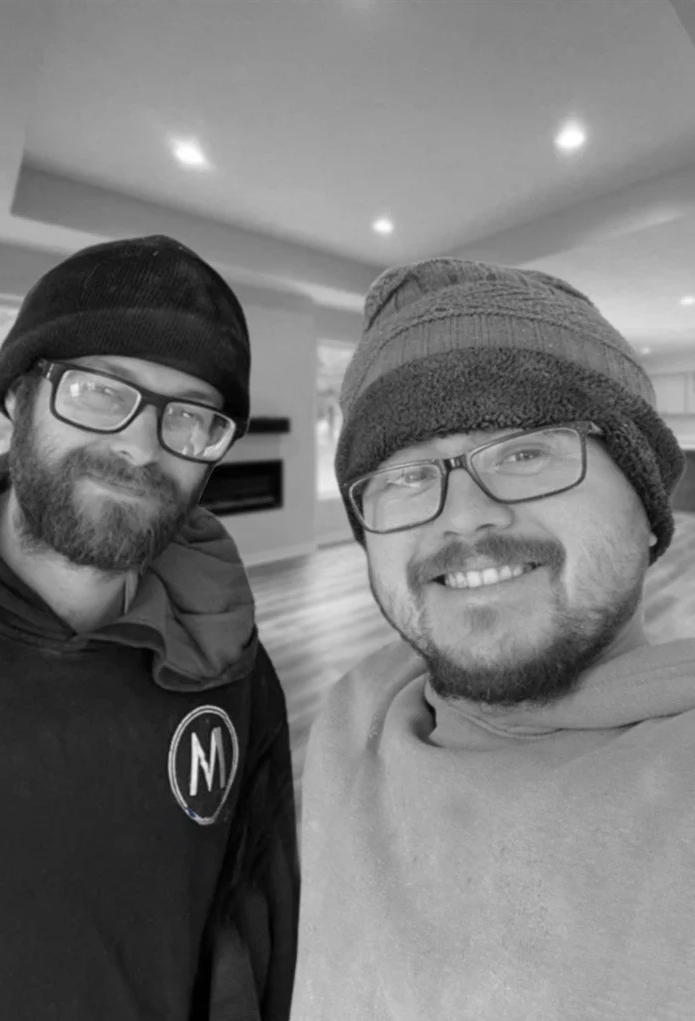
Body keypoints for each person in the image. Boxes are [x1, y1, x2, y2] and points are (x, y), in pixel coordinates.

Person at [0, 235, 299, 1020]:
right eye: (98, 391)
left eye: (192, 419)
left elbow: (250, 938)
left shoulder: (231, 670)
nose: (140, 446)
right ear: (19, 394)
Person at [291, 258, 695, 1020]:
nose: (464, 515)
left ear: (646, 507)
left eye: (525, 450)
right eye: (407, 474)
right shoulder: (354, 722)